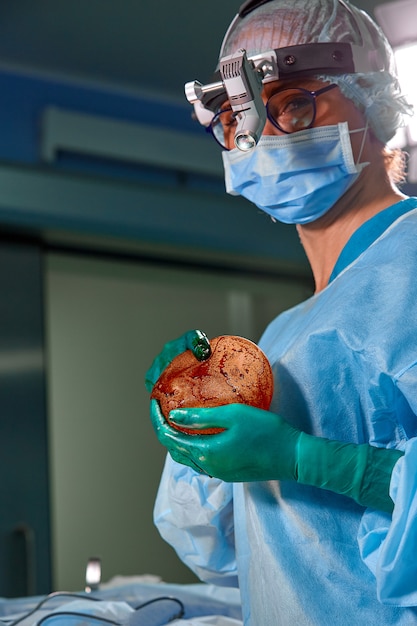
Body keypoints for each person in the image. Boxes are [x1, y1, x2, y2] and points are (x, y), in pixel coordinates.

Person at [145, 0, 417, 623]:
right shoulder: (285, 333)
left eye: (291, 103)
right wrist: (193, 425)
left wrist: (310, 461)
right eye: (237, 117)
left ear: (372, 101)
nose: (259, 138)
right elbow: (236, 553)